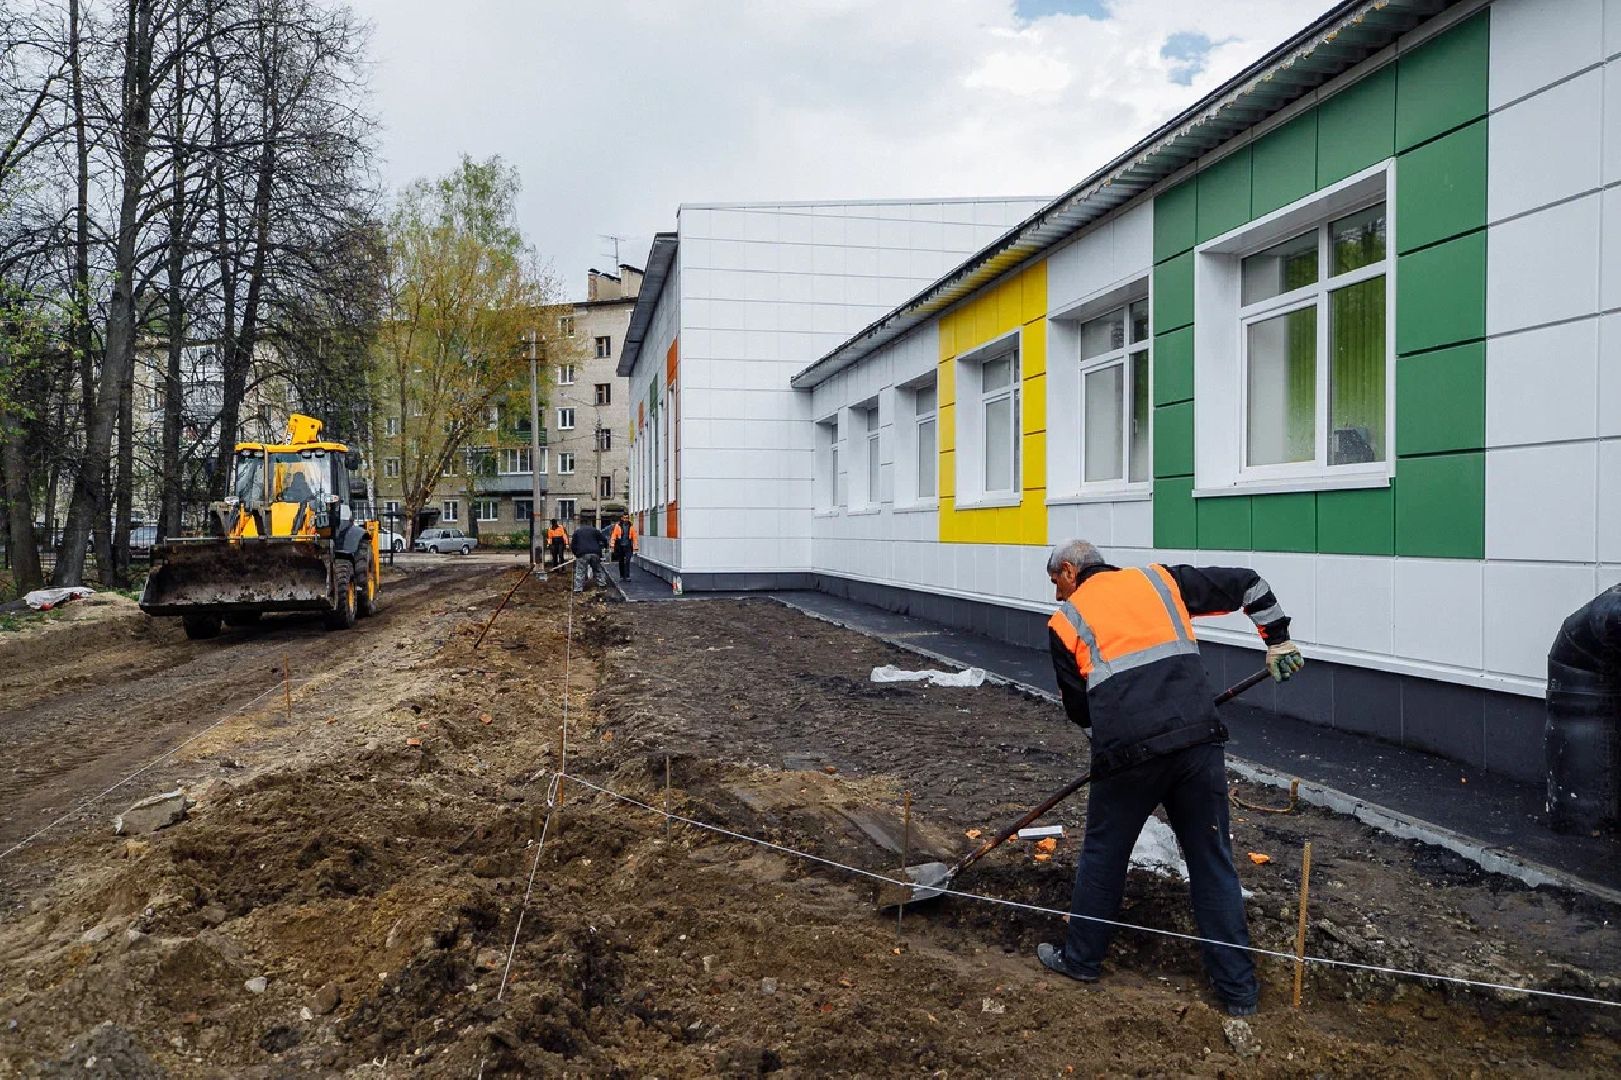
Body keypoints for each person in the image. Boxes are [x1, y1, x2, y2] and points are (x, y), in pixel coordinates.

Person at [1036, 539, 1304, 1017]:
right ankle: (1239, 992)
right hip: (1197, 742)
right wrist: (1277, 639)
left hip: (1127, 757)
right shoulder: (1160, 580)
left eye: (1056, 582)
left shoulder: (1065, 622)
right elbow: (1248, 583)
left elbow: (1079, 709)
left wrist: (1116, 740)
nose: (1058, 595)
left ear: (1071, 570)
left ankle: (1081, 960)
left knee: (1103, 855)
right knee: (1211, 861)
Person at [569, 519, 611, 593]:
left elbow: (573, 545)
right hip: (595, 552)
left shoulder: (577, 532)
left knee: (580, 571)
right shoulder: (595, 530)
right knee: (597, 569)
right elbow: (604, 539)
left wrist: (576, 553)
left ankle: (578, 589)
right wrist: (604, 547)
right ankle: (602, 584)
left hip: (582, 553)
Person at [608, 514, 638, 580]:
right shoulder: (618, 526)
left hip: (628, 546)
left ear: (628, 518)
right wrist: (612, 545)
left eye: (627, 518)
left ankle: (627, 576)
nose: (625, 519)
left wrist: (635, 547)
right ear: (622, 518)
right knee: (621, 561)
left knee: (627, 561)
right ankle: (622, 576)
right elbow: (614, 536)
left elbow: (634, 537)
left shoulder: (631, 527)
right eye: (624, 518)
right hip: (620, 546)